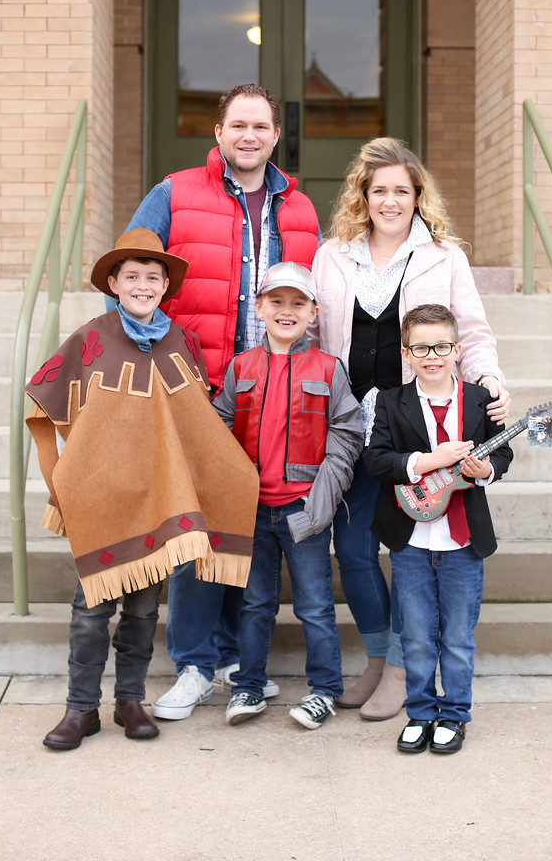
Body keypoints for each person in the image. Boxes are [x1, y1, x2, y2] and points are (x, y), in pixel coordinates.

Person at [119, 84, 321, 721]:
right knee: (197, 529)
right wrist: (147, 361)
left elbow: (315, 305)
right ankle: (195, 664)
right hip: (196, 390)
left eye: (261, 125)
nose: (249, 135)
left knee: (249, 528)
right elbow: (128, 277)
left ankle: (237, 658)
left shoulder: (302, 210)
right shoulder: (173, 193)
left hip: (273, 395)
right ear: (218, 131)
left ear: (275, 135)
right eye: (238, 124)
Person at [25, 228, 259, 750]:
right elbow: (45, 402)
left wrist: (228, 474)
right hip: (104, 494)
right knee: (91, 609)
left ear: (165, 286)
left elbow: (195, 425)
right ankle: (80, 708)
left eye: (153, 278)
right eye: (132, 276)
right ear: (114, 282)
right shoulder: (92, 336)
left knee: (143, 609)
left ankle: (129, 701)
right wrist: (65, 477)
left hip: (158, 496)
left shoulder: (183, 342)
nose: (143, 285)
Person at [310, 137, 510, 720]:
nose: (390, 201)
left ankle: (401, 667)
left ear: (417, 195)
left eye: (402, 190)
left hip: (412, 430)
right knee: (351, 547)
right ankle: (378, 657)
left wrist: (488, 382)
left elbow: (469, 331)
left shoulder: (442, 256)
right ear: (362, 196)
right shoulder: (334, 254)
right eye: (379, 191)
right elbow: (319, 339)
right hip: (349, 425)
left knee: (403, 543)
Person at [213, 262, 364, 730]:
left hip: (304, 511)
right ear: (258, 307)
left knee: (314, 605)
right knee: (256, 603)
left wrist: (321, 500)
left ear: (313, 312)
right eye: (276, 301)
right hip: (253, 512)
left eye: (298, 303)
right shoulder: (241, 368)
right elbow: (217, 431)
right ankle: (249, 686)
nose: (286, 311)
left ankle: (324, 691)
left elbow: (348, 434)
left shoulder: (327, 367)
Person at [365, 304, 513, 753]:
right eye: (421, 347)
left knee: (457, 637)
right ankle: (421, 712)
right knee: (415, 634)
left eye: (442, 346)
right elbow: (377, 459)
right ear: (407, 353)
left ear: (457, 350)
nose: (433, 355)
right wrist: (429, 461)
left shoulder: (479, 399)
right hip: (410, 539)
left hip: (463, 540)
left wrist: (486, 468)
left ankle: (454, 714)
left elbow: (503, 457)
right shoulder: (391, 401)